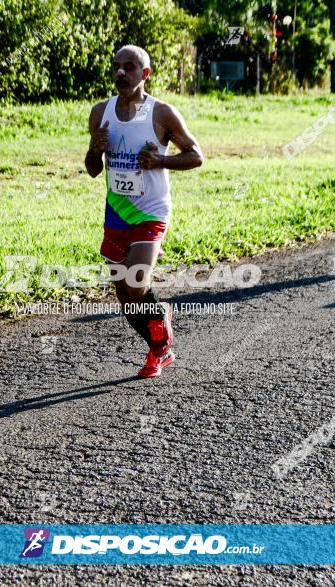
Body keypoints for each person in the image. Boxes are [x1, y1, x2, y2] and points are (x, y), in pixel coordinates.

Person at [84, 45, 203, 378]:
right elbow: (93, 169)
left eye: (130, 67)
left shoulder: (161, 113)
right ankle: (159, 348)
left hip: (151, 209)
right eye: (116, 67)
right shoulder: (100, 113)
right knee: (125, 294)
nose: (121, 73)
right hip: (118, 211)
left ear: (145, 74)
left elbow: (196, 155)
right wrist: (96, 149)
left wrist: (161, 160)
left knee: (137, 282)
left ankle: (159, 324)